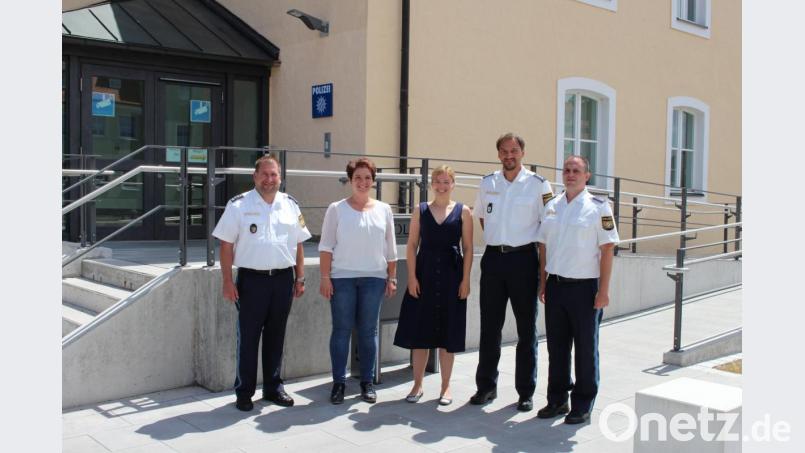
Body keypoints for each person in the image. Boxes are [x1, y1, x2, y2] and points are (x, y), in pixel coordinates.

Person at [212, 154, 312, 412]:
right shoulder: (239, 205)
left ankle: (273, 387)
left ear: (281, 177)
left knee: (276, 336)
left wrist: (300, 277)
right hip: (251, 280)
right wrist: (226, 281)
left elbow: (298, 243)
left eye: (274, 174)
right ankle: (244, 391)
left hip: (282, 279)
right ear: (255, 177)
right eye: (265, 174)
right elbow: (225, 245)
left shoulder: (290, 205)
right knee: (248, 338)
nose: (270, 179)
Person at [470, 132, 553, 412]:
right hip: (494, 260)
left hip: (524, 261)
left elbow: (547, 228)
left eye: (514, 151)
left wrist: (543, 273)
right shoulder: (487, 183)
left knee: (526, 330)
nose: (509, 156)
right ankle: (486, 387)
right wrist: (499, 238)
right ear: (498, 155)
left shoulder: (538, 185)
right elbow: (482, 216)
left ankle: (525, 392)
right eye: (504, 151)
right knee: (489, 328)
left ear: (522, 153)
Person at [535, 155, 619, 424]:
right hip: (557, 287)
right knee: (557, 348)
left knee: (585, 348)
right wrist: (543, 282)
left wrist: (603, 291)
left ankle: (582, 403)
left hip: (585, 289)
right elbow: (544, 247)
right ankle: (557, 399)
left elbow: (608, 249)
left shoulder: (599, 207)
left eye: (576, 171)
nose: (570, 174)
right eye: (567, 170)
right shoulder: (553, 206)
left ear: (587, 176)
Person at [319, 157, 398, 404]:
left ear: (373, 181)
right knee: (341, 331)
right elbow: (326, 247)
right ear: (350, 180)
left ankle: (366, 383)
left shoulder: (384, 210)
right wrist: (325, 277)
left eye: (367, 178)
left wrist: (392, 277)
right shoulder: (336, 209)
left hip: (374, 279)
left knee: (368, 332)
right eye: (357, 178)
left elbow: (391, 249)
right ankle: (339, 383)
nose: (362, 182)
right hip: (342, 278)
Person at [393, 165, 474, 406]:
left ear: (453, 184)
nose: (441, 185)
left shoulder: (463, 211)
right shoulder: (421, 210)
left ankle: (446, 386)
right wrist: (412, 277)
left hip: (452, 276)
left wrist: (466, 279)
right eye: (437, 181)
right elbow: (411, 245)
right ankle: (417, 384)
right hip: (424, 274)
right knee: (420, 332)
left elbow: (468, 248)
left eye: (446, 181)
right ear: (431, 184)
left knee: (448, 333)